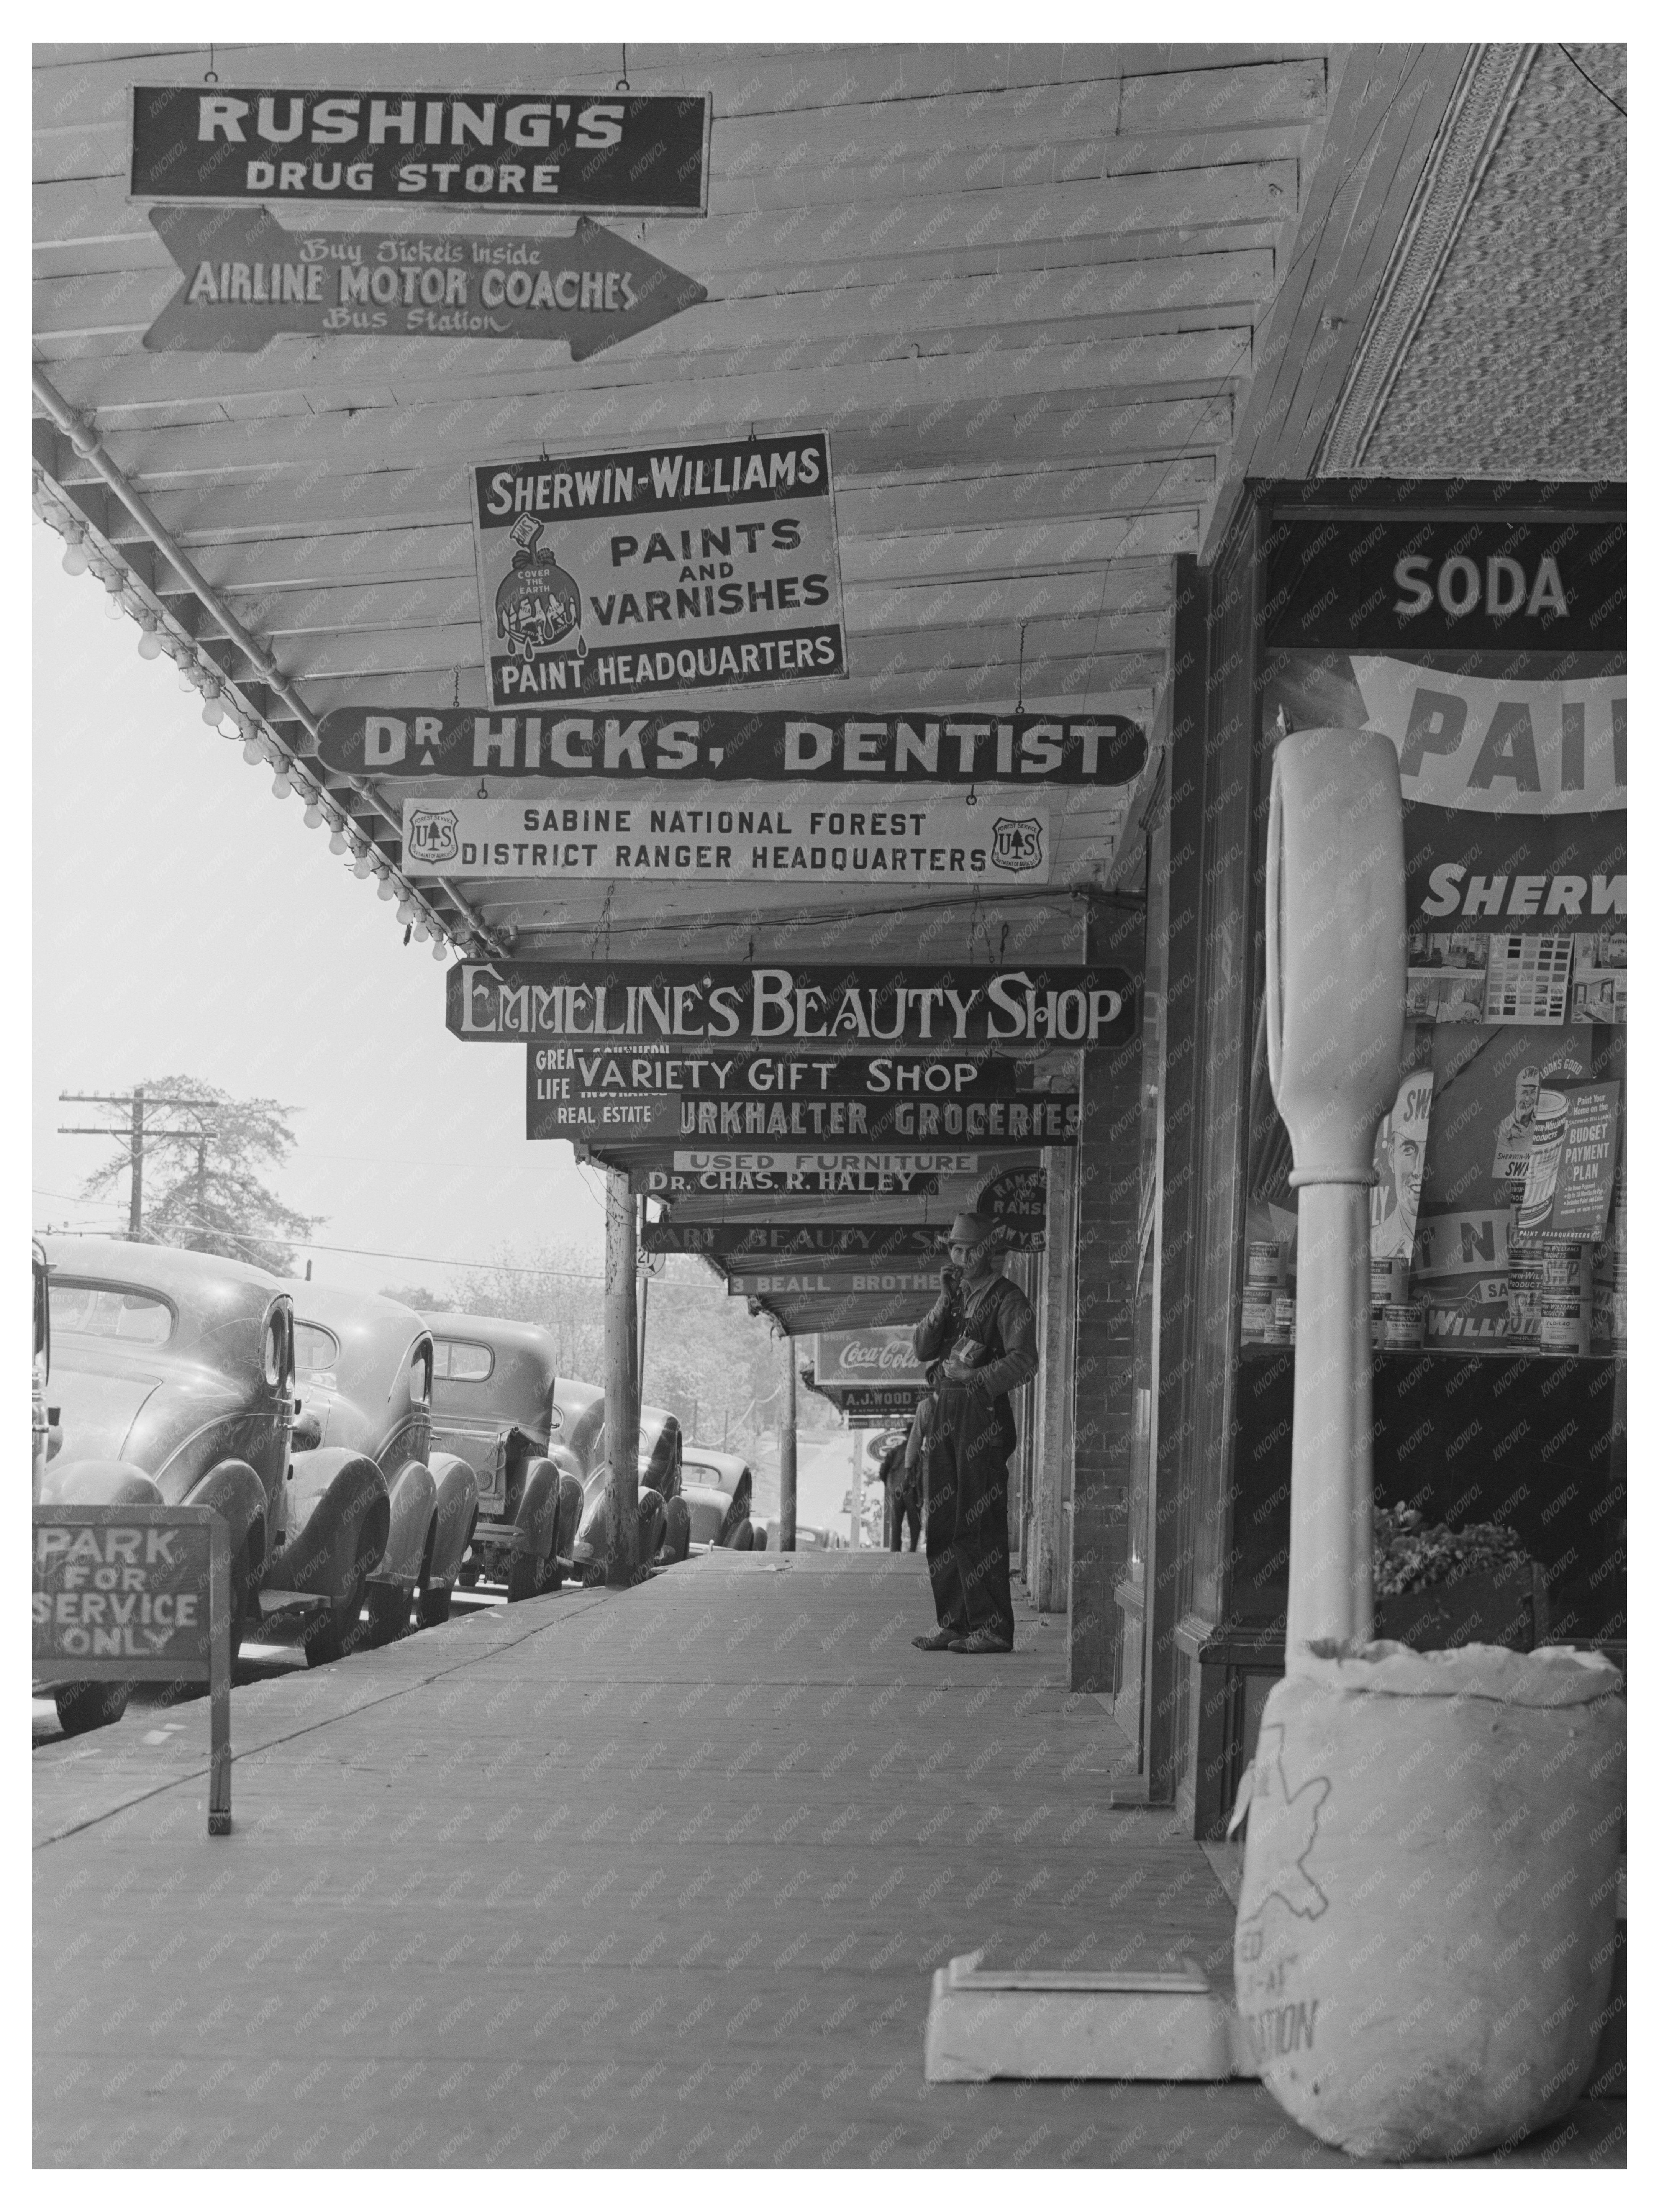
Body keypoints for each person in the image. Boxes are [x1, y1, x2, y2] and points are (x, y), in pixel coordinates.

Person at [910, 1211, 1038, 1656]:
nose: (961, 1258)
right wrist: (943, 1301)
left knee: (979, 1525)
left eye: (969, 1249)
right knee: (944, 1524)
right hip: (946, 1417)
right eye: (955, 1249)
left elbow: (1025, 1361)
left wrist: (976, 1375)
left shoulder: (1009, 1298)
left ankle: (992, 1627)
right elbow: (922, 1348)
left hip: (983, 1420)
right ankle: (954, 1622)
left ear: (988, 1251)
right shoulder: (955, 1298)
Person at [878, 1428, 920, 1551]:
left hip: (897, 1491)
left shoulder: (896, 1451)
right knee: (914, 1522)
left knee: (896, 1521)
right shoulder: (918, 1452)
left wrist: (890, 1485)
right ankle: (913, 1549)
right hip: (911, 1491)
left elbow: (883, 1470)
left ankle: (895, 1549)